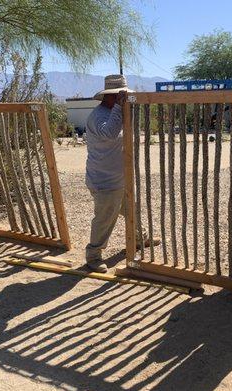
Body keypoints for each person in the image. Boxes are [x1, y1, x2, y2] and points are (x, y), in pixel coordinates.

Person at [85, 74, 159, 272]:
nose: (124, 99)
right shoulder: (99, 116)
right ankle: (93, 255)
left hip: (119, 177)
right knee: (105, 218)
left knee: (131, 210)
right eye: (121, 96)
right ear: (112, 96)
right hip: (104, 180)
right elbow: (109, 133)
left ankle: (139, 239)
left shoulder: (116, 112)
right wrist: (119, 107)